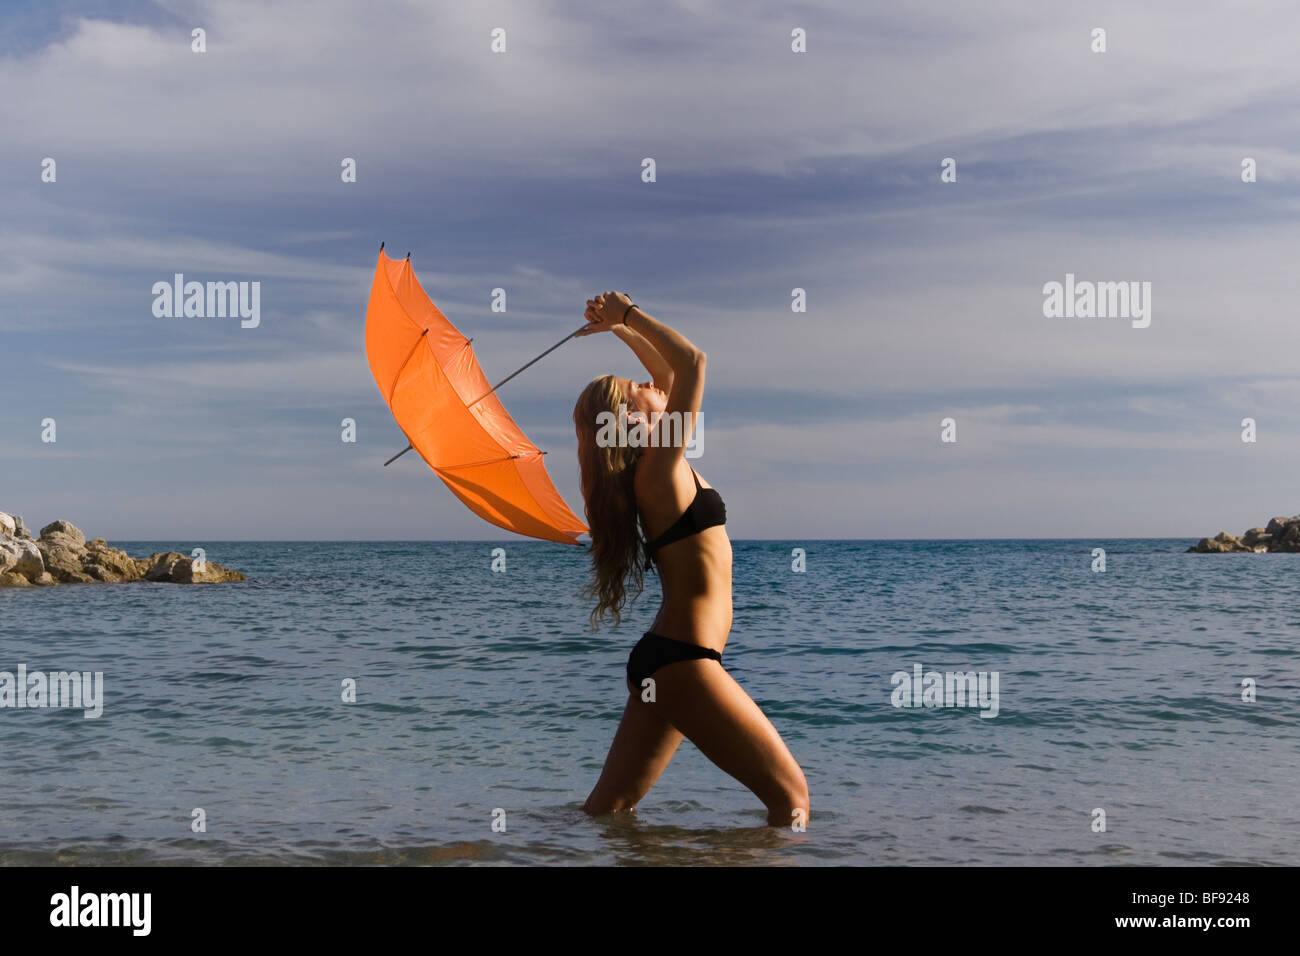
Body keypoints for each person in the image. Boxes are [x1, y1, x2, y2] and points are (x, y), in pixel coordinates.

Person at [571, 291, 810, 827]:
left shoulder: (660, 470)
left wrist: (618, 331)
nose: (656, 387)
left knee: (608, 813)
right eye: (642, 390)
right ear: (631, 420)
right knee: (792, 802)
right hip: (683, 661)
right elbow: (691, 363)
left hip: (667, 659)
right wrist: (628, 314)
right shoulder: (656, 473)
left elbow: (672, 376)